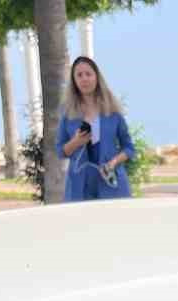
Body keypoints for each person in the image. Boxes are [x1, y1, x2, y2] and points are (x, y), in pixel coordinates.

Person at [56, 56, 135, 202]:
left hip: (110, 184)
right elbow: (60, 151)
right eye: (79, 75)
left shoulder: (112, 110)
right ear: (74, 81)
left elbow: (129, 148)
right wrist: (76, 142)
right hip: (80, 187)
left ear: (96, 77)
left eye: (88, 74)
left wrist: (114, 162)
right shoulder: (67, 112)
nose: (84, 79)